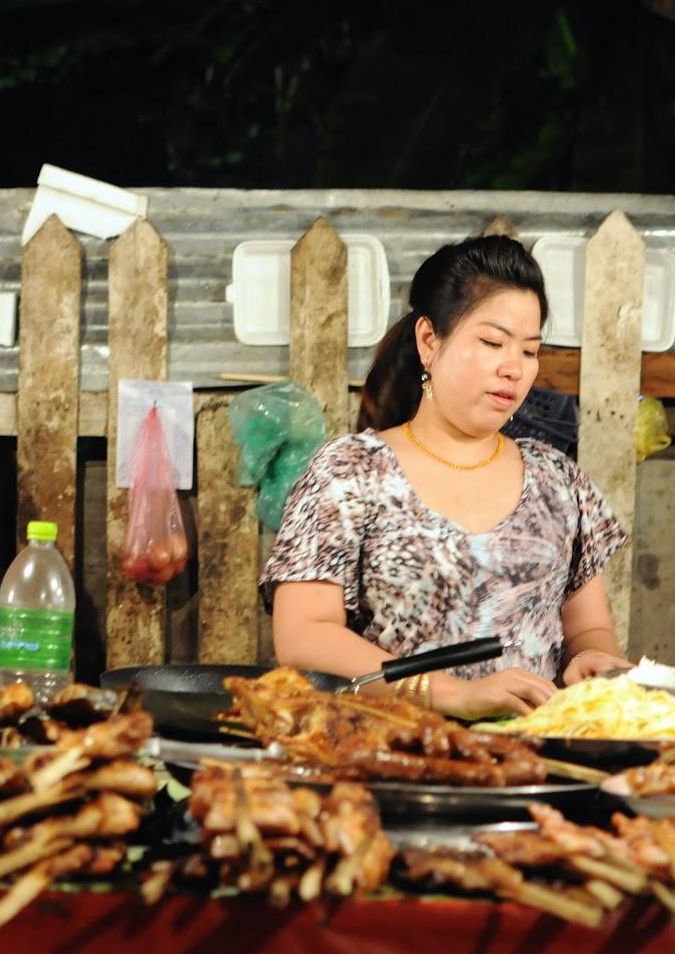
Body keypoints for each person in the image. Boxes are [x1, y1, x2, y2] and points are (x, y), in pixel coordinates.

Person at [262, 235, 630, 719]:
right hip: (391, 754)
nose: (512, 369)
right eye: (492, 342)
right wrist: (450, 694)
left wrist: (589, 660)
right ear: (429, 341)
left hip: (532, 763)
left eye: (529, 351)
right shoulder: (351, 471)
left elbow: (588, 630)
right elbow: (303, 637)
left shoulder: (558, 480)